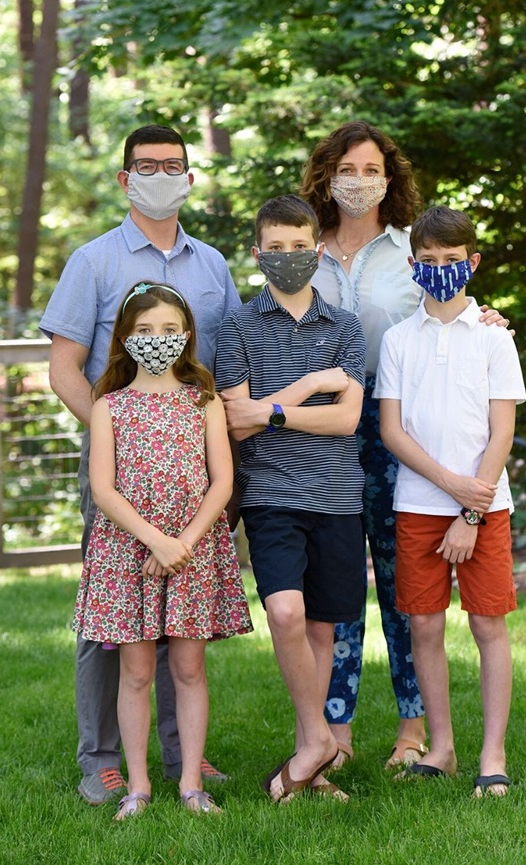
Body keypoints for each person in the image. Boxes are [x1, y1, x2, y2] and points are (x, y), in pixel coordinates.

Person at [39, 124, 240, 804]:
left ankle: (185, 754)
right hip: (120, 475)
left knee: (184, 621)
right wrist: (116, 438)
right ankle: (102, 757)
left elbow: (227, 361)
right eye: (146, 165)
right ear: (125, 178)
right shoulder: (92, 262)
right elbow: (64, 369)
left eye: (173, 165)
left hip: (195, 475)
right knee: (114, 623)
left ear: (189, 177)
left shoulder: (213, 266)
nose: (161, 174)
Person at [301, 120, 508, 771]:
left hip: (399, 433)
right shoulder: (302, 251)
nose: (358, 180)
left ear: (389, 180)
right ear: (326, 177)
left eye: (370, 169)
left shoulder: (410, 252)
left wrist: (490, 316)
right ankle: (336, 729)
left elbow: (448, 318)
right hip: (327, 427)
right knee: (335, 581)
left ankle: (414, 727)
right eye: (346, 168)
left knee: (402, 585)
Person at [73, 282, 252, 818]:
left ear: (188, 335)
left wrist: (182, 544)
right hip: (127, 552)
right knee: (136, 672)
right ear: (125, 339)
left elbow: (222, 481)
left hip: (193, 548)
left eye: (169, 330)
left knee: (190, 669)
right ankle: (138, 785)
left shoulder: (205, 400)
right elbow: (103, 489)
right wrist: (154, 540)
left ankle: (192, 783)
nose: (158, 340)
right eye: (145, 331)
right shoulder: (109, 406)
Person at [215, 195, 366, 803]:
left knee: (324, 629)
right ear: (257, 255)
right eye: (274, 249)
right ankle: (316, 741)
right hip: (272, 495)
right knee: (284, 613)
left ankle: (314, 763)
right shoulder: (236, 327)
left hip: (337, 496)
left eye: (298, 247)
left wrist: (272, 407)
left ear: (317, 250)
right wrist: (308, 389)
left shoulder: (347, 328)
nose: (287, 258)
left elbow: (348, 421)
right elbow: (238, 422)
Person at [375, 205, 526, 796]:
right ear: (414, 265)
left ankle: (493, 752)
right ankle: (442, 748)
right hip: (417, 503)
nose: (441, 270)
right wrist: (450, 487)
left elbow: (502, 433)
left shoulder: (494, 339)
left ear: (473, 263)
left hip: (485, 507)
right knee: (425, 626)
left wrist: (470, 508)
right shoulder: (397, 340)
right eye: (429, 261)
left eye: (453, 261)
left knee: (489, 623)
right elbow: (392, 431)